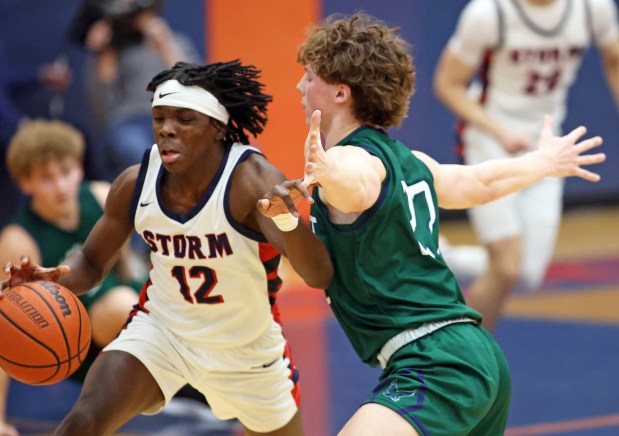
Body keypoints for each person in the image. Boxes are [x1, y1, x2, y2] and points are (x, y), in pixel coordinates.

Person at [257, 12, 606, 435]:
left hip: (436, 362)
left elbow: (357, 185)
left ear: (340, 92)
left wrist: (331, 173)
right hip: (478, 354)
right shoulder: (412, 161)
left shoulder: (352, 161)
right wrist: (542, 162)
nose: (300, 86)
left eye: (309, 76)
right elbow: (478, 183)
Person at [1, 60, 333, 436]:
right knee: (85, 420)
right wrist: (51, 282)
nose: (166, 130)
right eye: (159, 118)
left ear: (216, 128)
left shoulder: (251, 181)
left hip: (246, 350)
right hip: (161, 334)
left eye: (183, 119)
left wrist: (289, 221)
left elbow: (318, 274)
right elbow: (92, 262)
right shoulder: (134, 182)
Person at [433, 0, 619, 331]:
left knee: (527, 274)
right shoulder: (489, 13)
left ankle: (438, 255)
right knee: (505, 265)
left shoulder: (593, 8)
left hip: (548, 143)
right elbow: (448, 83)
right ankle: (468, 364)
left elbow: (614, 58)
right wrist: (498, 130)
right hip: (490, 139)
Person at [0, 119, 142, 436]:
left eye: (66, 172)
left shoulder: (102, 195)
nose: (61, 186)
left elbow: (128, 264)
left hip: (131, 304)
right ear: (25, 183)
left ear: (79, 168)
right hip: (78, 339)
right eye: (46, 178)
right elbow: (4, 326)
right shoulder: (18, 239)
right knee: (124, 306)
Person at [68, 0, 200, 180]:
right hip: (130, 122)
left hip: (176, 118)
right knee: (141, 156)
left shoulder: (174, 41)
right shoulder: (111, 53)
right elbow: (102, 108)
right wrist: (104, 53)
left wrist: (165, 45)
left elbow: (198, 86)